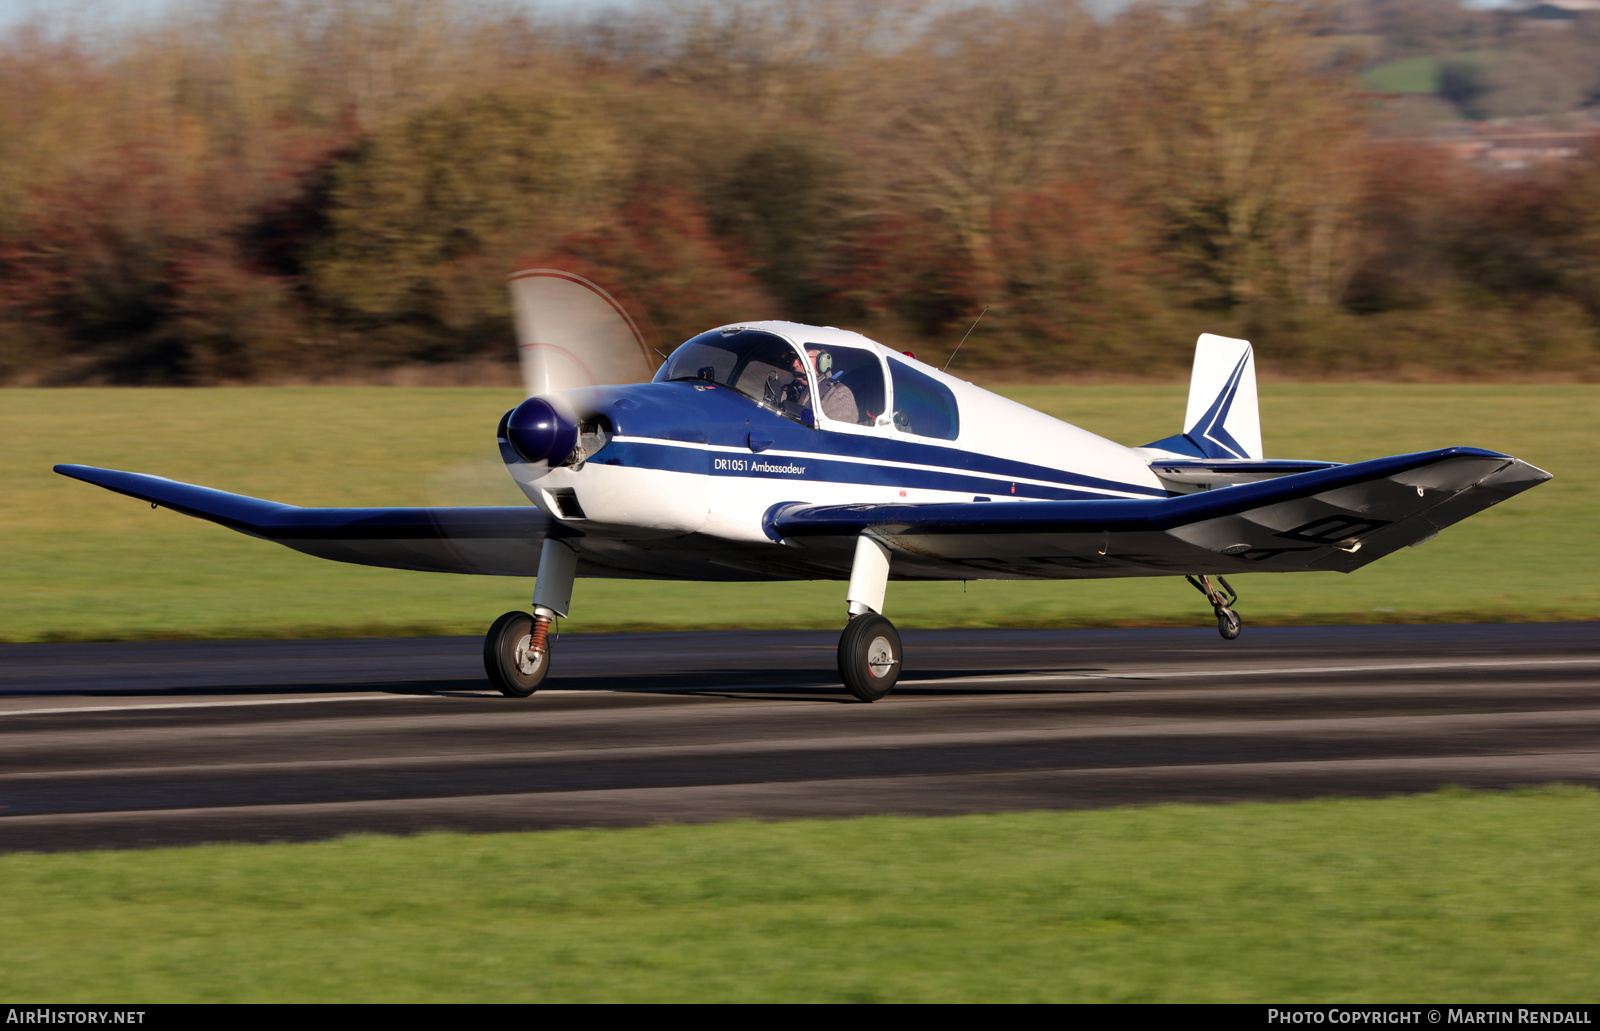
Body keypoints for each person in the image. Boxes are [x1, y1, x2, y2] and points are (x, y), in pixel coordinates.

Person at [785, 348, 859, 424]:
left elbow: (832, 434)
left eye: (801, 359)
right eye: (793, 359)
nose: (794, 364)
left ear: (822, 362)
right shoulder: (788, 390)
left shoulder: (838, 394)